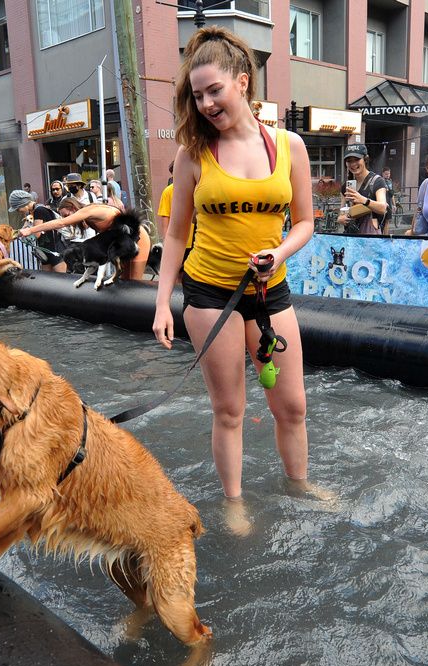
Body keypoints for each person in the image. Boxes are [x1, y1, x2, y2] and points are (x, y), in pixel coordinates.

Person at [151, 26, 316, 532]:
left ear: (242, 82)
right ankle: (234, 503)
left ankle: (301, 485)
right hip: (209, 295)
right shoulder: (192, 155)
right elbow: (176, 236)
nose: (204, 103)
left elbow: (306, 222)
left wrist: (278, 251)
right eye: (196, 95)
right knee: (229, 410)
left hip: (271, 292)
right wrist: (162, 303)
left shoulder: (290, 147)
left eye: (213, 90)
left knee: (292, 405)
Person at [18, 194, 150, 279]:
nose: (66, 218)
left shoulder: (88, 211)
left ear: (73, 208)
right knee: (124, 281)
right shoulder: (89, 218)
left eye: (66, 214)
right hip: (122, 244)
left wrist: (30, 230)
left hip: (138, 239)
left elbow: (60, 223)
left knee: (133, 281)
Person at [9, 189, 67, 273]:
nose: (18, 211)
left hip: (55, 251)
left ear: (23, 204)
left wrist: (24, 236)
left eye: (17, 209)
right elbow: (23, 229)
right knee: (48, 283)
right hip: (45, 251)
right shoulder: (32, 212)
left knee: (61, 282)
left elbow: (37, 234)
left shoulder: (39, 210)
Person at [336, 144, 387, 236]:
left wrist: (363, 200)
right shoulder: (346, 186)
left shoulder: (377, 181)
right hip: (351, 237)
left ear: (365, 159)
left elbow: (383, 208)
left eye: (357, 159)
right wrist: (340, 218)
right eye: (349, 161)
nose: (353, 164)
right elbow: (342, 211)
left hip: (370, 238)